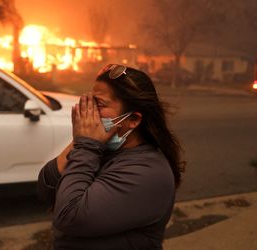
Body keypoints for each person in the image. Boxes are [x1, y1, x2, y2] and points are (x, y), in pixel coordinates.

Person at [37, 64, 185, 249]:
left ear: (134, 120)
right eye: (89, 103)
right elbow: (47, 186)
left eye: (98, 105)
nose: (89, 113)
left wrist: (86, 145)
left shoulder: (148, 171)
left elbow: (69, 216)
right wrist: (81, 141)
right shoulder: (99, 148)